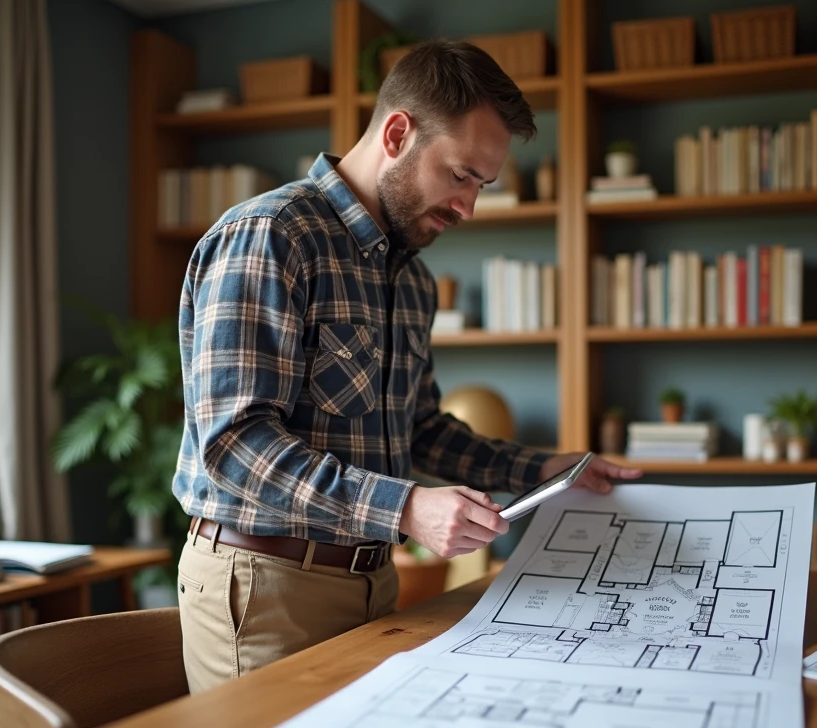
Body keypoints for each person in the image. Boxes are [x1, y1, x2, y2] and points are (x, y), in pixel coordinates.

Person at [172, 40, 641, 693]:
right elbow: (235, 445)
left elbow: (418, 431)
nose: (468, 208)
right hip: (265, 585)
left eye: (482, 185)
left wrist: (541, 469)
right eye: (460, 176)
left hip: (373, 580)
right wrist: (406, 508)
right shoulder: (273, 235)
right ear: (397, 133)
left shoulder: (412, 282)